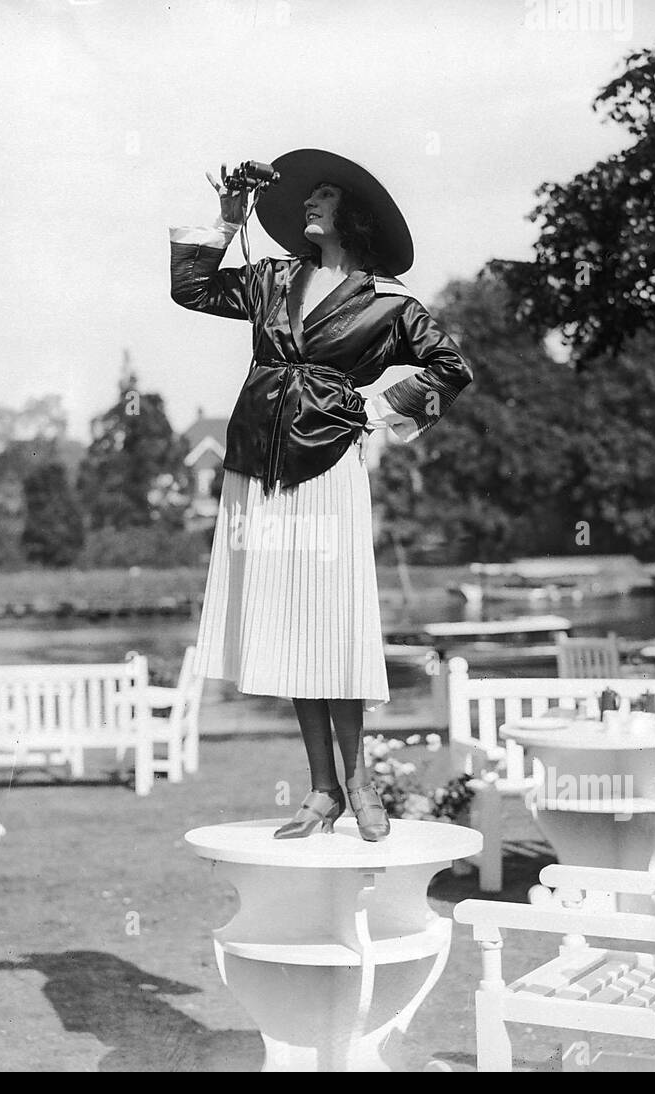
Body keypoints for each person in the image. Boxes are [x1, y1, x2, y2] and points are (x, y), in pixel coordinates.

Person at [170, 149, 472, 841]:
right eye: (310, 196)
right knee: (294, 627)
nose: (309, 202)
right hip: (259, 462)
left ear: (352, 215)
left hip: (331, 462)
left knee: (333, 624)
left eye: (325, 196)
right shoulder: (273, 278)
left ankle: (361, 780)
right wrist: (225, 218)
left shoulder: (391, 303)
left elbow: (450, 366)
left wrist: (375, 406)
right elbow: (191, 288)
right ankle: (323, 788)